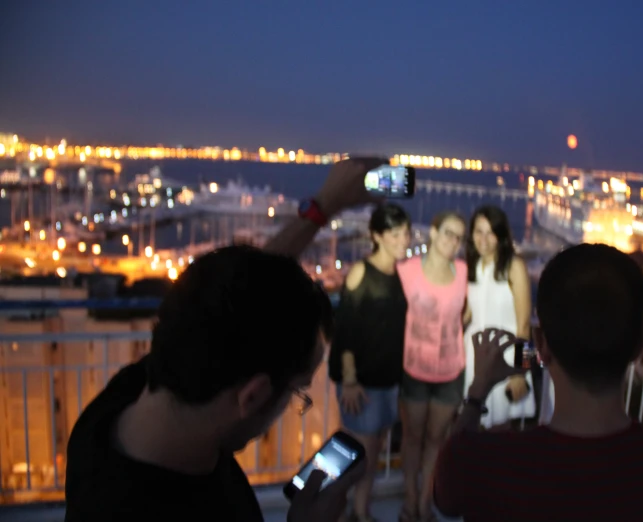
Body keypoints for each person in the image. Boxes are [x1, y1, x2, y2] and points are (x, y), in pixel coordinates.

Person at [64, 158, 387, 522]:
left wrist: (323, 207)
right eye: (297, 391)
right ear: (253, 395)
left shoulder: (119, 407)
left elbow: (238, 294)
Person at [433, 244, 643, 521]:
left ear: (542, 345)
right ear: (640, 346)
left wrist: (476, 394)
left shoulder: (481, 463)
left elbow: (445, 498)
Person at [327, 203, 411, 522]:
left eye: (405, 232)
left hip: (387, 379)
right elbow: (347, 329)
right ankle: (335, 510)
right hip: (361, 382)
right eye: (395, 233)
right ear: (377, 235)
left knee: (372, 450)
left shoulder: (398, 275)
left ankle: (360, 511)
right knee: (357, 452)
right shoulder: (362, 272)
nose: (403, 239)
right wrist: (349, 380)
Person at [397, 211, 468, 522]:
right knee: (412, 438)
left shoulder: (463, 271)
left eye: (458, 237)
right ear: (434, 233)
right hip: (413, 370)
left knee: (436, 441)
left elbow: (466, 314)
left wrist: (525, 360)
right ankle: (410, 501)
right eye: (448, 233)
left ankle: (425, 502)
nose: (453, 241)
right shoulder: (408, 269)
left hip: (451, 371)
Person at [464, 205, 535, 429]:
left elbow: (524, 323)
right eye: (478, 231)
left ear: (501, 235)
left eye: (490, 232)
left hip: (505, 358)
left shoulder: (514, 266)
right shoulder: (473, 266)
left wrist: (519, 371)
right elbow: (467, 314)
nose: (483, 239)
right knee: (473, 423)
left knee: (500, 428)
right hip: (473, 355)